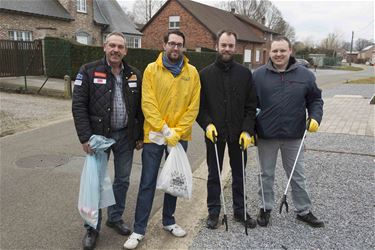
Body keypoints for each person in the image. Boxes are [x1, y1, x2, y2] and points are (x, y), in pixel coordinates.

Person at [123, 30, 200, 249]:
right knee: (147, 182)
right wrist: (164, 129)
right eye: (172, 44)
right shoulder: (151, 70)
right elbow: (147, 102)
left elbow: (193, 106)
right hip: (155, 136)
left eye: (180, 45)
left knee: (173, 181)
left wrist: (178, 131)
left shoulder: (192, 72)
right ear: (164, 45)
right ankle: (139, 229)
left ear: (183, 47)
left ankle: (169, 220)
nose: (176, 48)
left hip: (178, 137)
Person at [72, 31, 144, 250]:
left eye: (120, 47)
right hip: (98, 138)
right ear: (104, 47)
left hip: (125, 137)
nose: (116, 50)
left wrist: (139, 135)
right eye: (112, 45)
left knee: (122, 179)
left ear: (125, 51)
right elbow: (78, 105)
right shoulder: (88, 70)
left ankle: (115, 217)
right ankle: (92, 227)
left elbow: (141, 108)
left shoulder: (133, 74)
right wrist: (85, 137)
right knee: (96, 183)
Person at [253, 36, 324, 228]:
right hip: (266, 135)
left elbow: (315, 100)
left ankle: (304, 210)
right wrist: (250, 130)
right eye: (275, 51)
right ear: (270, 52)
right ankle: (265, 208)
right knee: (265, 174)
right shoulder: (258, 76)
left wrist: (315, 117)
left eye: (282, 50)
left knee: (297, 174)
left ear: (290, 51)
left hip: (294, 135)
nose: (278, 54)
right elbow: (250, 105)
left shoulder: (305, 76)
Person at [196, 30, 258, 230]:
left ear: (235, 47)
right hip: (214, 135)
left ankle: (240, 212)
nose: (227, 49)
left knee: (239, 174)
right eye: (224, 45)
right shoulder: (204, 75)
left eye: (230, 45)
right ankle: (213, 212)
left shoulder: (245, 74)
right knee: (214, 174)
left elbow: (251, 106)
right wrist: (207, 124)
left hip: (239, 134)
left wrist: (248, 131)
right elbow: (200, 107)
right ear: (217, 46)